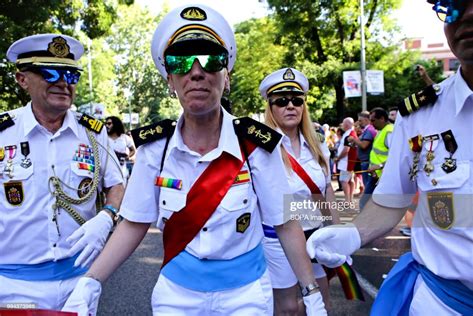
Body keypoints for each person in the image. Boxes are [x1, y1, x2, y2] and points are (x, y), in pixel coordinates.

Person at [63, 4, 326, 315]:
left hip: (245, 296)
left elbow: (285, 224)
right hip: (176, 297)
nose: (197, 71)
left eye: (212, 60)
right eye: (181, 61)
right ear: (169, 81)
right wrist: (92, 280)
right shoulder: (154, 148)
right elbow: (134, 222)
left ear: (226, 77)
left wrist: (311, 293)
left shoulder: (256, 145)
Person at [307, 1, 473, 314]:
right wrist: (353, 233)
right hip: (442, 304)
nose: (468, 15)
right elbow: (393, 200)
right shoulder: (421, 115)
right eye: (454, 5)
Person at [0, 34, 124, 310]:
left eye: (71, 74)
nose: (63, 82)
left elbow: (116, 185)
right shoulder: (3, 133)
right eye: (50, 72)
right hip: (12, 286)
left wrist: (107, 216)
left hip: (78, 280)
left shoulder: (93, 132)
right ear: (22, 79)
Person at [259, 67, 339, 313]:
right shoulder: (261, 148)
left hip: (314, 236)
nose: (290, 106)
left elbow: (325, 190)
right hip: (277, 239)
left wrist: (337, 233)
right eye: (281, 101)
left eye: (297, 100)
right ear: (270, 108)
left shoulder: (316, 144)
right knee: (288, 309)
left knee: (321, 303)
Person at [105, 116, 136, 182]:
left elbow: (133, 150)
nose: (107, 126)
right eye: (106, 124)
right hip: (106, 173)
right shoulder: (104, 137)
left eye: (109, 123)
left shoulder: (125, 138)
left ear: (116, 124)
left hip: (122, 173)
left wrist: (127, 157)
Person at [334, 118, 357, 202]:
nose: (342, 125)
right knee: (350, 180)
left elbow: (346, 149)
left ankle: (347, 200)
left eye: (343, 123)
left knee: (344, 180)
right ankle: (350, 199)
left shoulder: (350, 134)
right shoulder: (350, 133)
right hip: (348, 161)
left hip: (346, 162)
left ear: (347, 124)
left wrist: (338, 158)